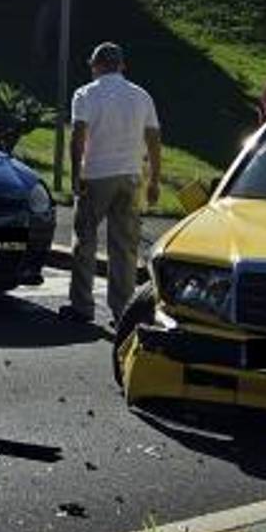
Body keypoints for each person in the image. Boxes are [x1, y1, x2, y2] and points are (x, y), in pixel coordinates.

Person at [60, 42, 162, 325]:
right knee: (124, 247)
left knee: (85, 240)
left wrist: (75, 174)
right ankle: (122, 311)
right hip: (131, 176)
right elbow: (154, 139)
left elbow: (78, 136)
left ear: (96, 66)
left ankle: (82, 305)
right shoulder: (141, 96)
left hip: (96, 175)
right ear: (122, 66)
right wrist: (154, 180)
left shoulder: (85, 94)